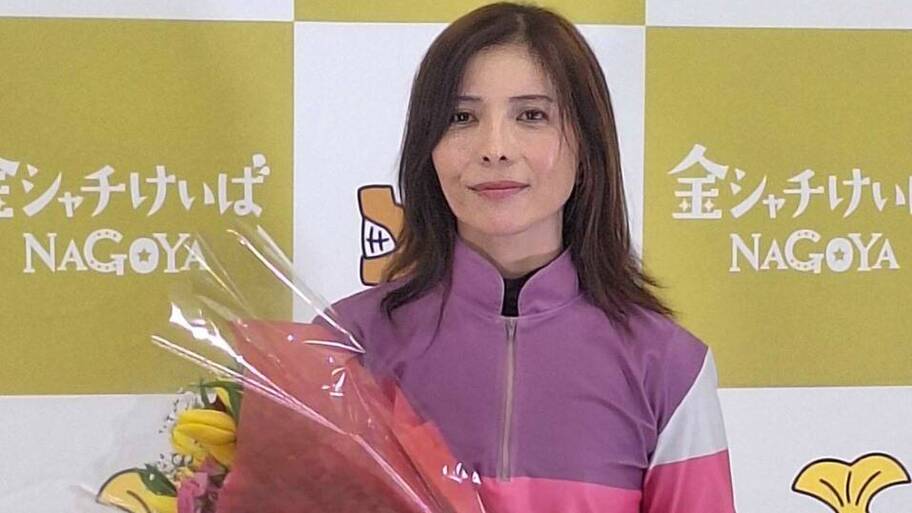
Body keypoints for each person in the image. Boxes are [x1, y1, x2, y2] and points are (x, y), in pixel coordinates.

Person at [321, 2, 737, 512]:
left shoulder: (668, 366)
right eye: (461, 117)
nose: (495, 147)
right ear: (427, 147)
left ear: (587, 144)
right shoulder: (346, 345)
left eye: (532, 115)